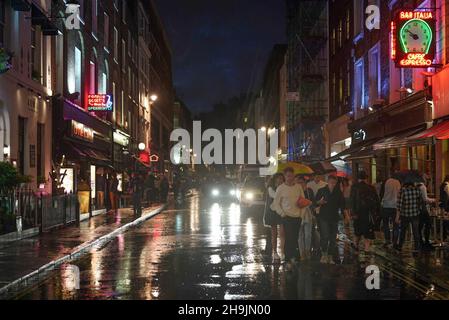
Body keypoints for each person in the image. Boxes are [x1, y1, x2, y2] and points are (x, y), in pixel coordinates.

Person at [271, 167, 306, 270]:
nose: (290, 178)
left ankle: (293, 258)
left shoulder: (298, 187)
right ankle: (288, 259)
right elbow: (276, 203)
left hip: (297, 216)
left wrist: (301, 214)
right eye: (287, 176)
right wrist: (282, 213)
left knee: (295, 238)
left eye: (291, 175)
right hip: (286, 217)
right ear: (284, 176)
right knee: (289, 237)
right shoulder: (281, 188)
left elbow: (302, 200)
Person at [315, 175, 345, 264]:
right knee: (325, 236)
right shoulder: (321, 190)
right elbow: (315, 202)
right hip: (323, 217)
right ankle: (324, 254)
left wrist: (344, 214)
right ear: (327, 182)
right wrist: (319, 202)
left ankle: (330, 256)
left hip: (334, 217)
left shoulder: (338, 192)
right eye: (331, 182)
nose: (332, 184)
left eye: (334, 183)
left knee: (332, 238)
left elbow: (342, 204)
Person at [350, 171, 380, 259]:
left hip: (358, 213)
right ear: (366, 178)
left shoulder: (354, 187)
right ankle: (367, 249)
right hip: (368, 214)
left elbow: (352, 201)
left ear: (358, 178)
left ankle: (355, 246)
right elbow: (376, 201)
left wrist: (353, 213)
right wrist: (376, 213)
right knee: (368, 232)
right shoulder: (371, 188)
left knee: (357, 231)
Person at [396, 181, 424, 252]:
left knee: (403, 231)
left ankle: (400, 246)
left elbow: (399, 205)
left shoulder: (403, 191)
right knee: (416, 231)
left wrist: (397, 216)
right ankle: (417, 247)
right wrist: (418, 209)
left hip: (405, 214)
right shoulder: (418, 190)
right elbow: (421, 202)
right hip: (415, 214)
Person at [263, 173, 286, 263]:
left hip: (281, 212)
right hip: (272, 212)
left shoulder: (284, 188)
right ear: (275, 180)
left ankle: (283, 252)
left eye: (281, 179)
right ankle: (275, 252)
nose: (280, 180)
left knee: (282, 233)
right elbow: (275, 196)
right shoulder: (270, 188)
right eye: (278, 178)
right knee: (274, 234)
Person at [380, 173, 402, 248]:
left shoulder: (386, 181)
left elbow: (381, 193)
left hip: (386, 205)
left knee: (386, 224)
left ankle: (387, 240)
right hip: (395, 206)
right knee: (396, 225)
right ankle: (395, 241)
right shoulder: (398, 183)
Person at [296, 176, 315, 261]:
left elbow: (313, 202)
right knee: (300, 235)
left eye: (301, 182)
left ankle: (307, 251)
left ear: (305, 183)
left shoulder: (309, 191)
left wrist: (309, 203)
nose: (300, 184)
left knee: (308, 234)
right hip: (298, 214)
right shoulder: (295, 191)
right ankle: (302, 253)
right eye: (298, 182)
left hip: (308, 214)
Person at [417, 179, 435, 250]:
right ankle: (426, 241)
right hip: (423, 209)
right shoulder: (423, 187)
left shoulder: (416, 186)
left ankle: (420, 240)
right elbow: (425, 199)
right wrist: (433, 200)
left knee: (420, 226)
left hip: (418, 209)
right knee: (428, 224)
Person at [439, 175, 449, 240]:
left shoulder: (442, 185)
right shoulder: (447, 186)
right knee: (446, 220)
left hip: (442, 204)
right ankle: (445, 235)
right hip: (446, 205)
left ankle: (443, 235)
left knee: (443, 220)